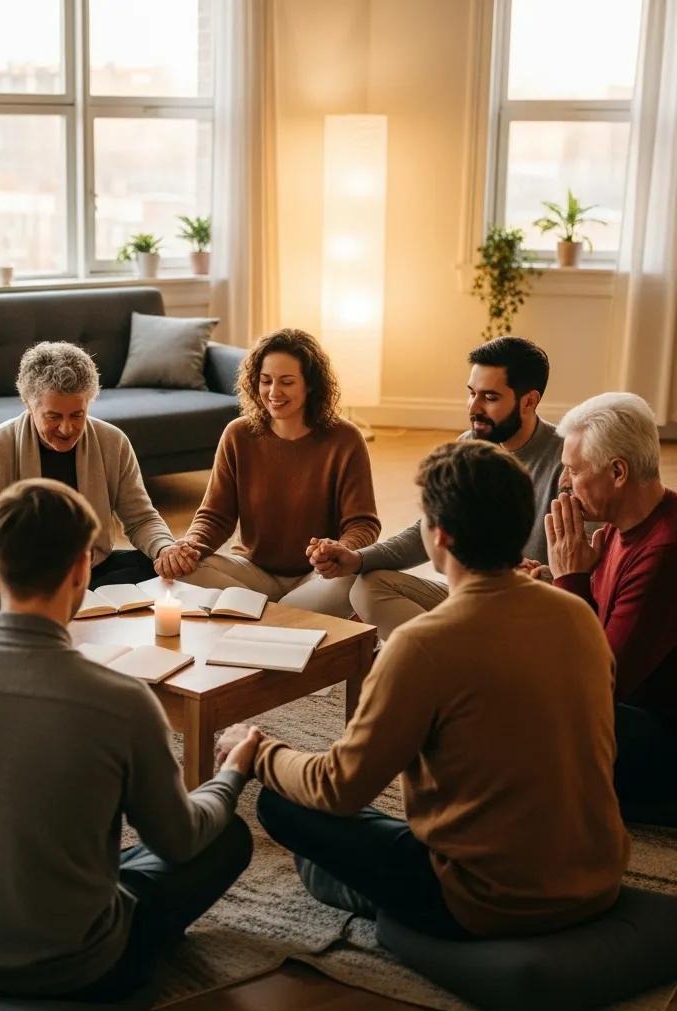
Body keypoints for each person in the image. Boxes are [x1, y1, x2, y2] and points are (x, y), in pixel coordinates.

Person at [217, 441, 628, 939]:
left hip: (490, 901)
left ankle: (363, 895)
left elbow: (338, 788)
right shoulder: (578, 615)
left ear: (439, 536)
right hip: (599, 877)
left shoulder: (421, 644)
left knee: (281, 803)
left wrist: (258, 751)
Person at [0, 479, 256, 999]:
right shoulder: (122, 700)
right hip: (71, 965)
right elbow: (177, 840)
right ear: (84, 569)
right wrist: (231, 774)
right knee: (226, 836)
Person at [315, 336, 562, 640]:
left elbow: (585, 567)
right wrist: (358, 558)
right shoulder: (469, 445)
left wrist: (542, 578)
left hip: (528, 610)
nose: (474, 407)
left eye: (490, 397)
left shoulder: (567, 462)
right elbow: (432, 529)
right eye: (471, 394)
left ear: (529, 401)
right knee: (369, 585)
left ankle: (443, 656)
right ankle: (448, 655)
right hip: (468, 597)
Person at [526, 392, 676, 826]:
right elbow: (601, 630)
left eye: (573, 470)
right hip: (629, 705)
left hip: (660, 734)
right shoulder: (619, 525)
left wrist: (570, 581)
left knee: (522, 712)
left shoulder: (664, 550)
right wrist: (561, 585)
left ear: (618, 472)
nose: (564, 484)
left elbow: (598, 682)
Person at [0, 341, 186, 598]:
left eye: (77, 415)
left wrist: (165, 549)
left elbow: (141, 519)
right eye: (53, 416)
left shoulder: (113, 442)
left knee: (156, 568)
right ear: (28, 405)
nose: (67, 429)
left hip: (88, 573)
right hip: (15, 583)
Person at [158, 328, 379, 618]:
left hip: (319, 576)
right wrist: (188, 546)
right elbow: (215, 516)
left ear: (310, 385)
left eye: (287, 382)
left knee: (358, 579)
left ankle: (256, 615)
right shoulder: (238, 434)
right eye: (266, 381)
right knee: (187, 569)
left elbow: (363, 524)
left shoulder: (345, 439)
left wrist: (341, 550)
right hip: (252, 572)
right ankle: (291, 617)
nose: (274, 393)